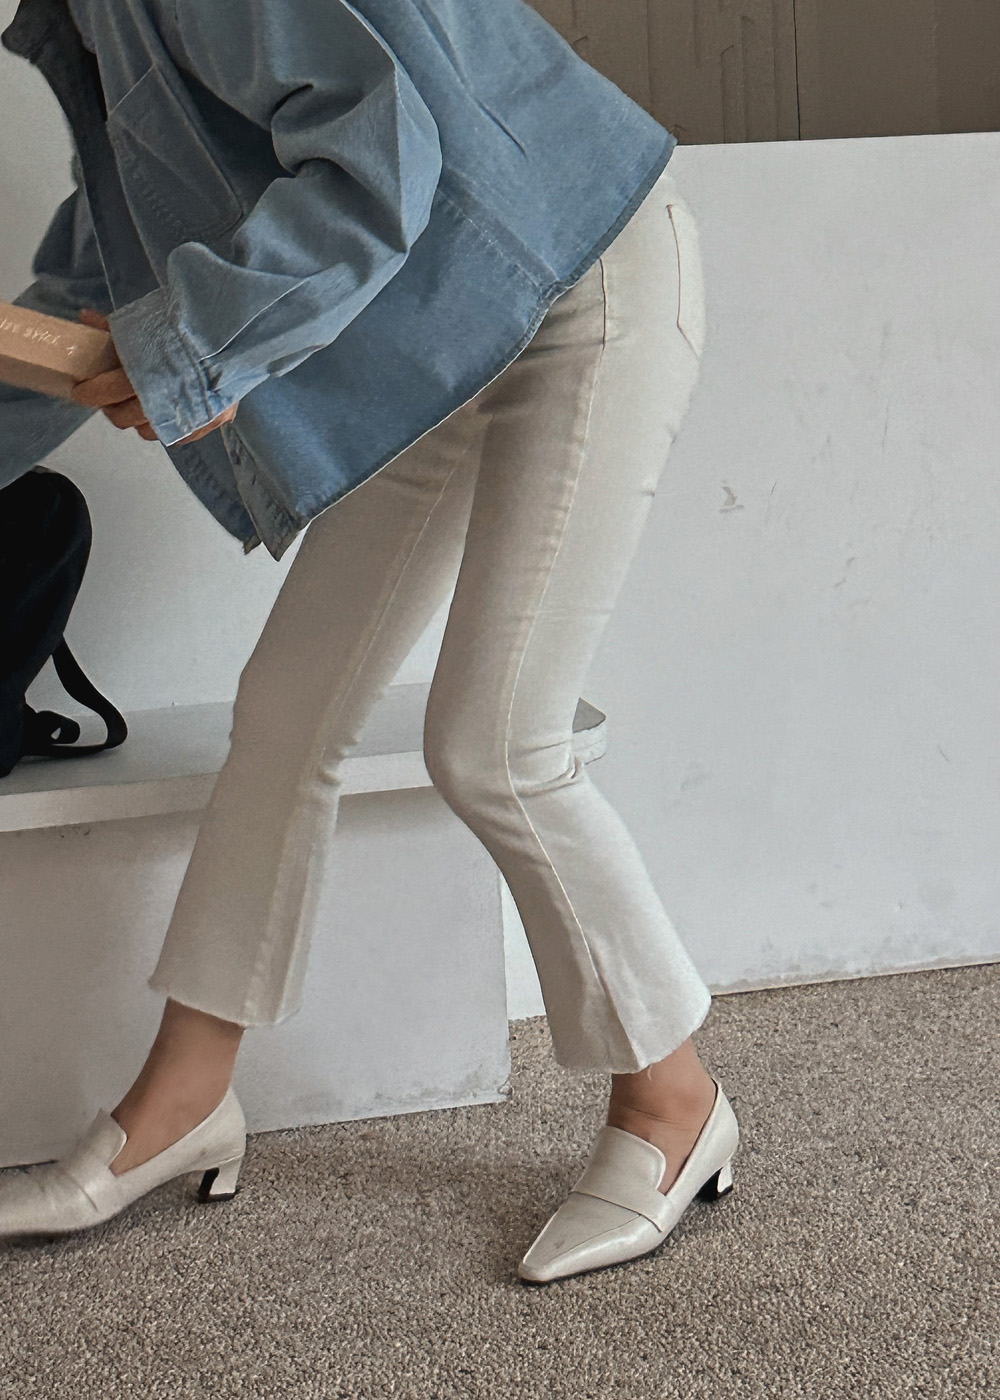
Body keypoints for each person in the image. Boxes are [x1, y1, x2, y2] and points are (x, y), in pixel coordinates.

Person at [0, 0, 739, 1282]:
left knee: (495, 742)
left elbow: (376, 154)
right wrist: (145, 342)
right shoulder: (91, 15)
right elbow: (98, 269)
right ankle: (184, 1100)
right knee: (285, 714)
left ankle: (675, 1100)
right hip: (432, 337)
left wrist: (184, 346)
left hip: (578, 276)